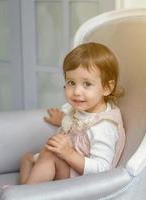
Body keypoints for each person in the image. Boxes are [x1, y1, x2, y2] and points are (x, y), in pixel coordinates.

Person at [20, 42, 126, 184]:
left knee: (50, 155)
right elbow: (76, 122)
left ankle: (22, 195)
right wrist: (62, 119)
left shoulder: (104, 126)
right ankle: (24, 191)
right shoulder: (82, 107)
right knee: (27, 158)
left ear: (106, 88)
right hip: (65, 164)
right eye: (71, 82)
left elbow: (102, 169)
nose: (76, 92)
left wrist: (68, 153)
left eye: (87, 84)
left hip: (78, 179)